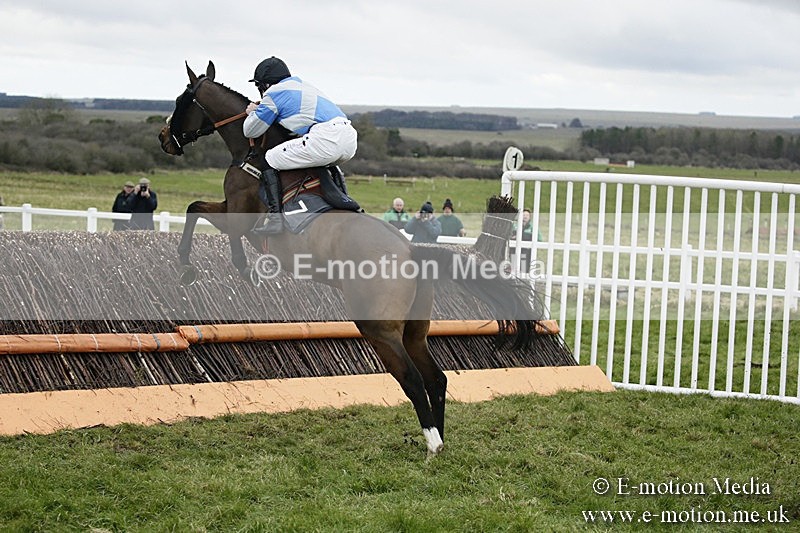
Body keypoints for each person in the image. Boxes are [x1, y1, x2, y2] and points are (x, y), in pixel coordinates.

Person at [243, 56, 358, 235]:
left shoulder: (273, 94)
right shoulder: (304, 85)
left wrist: (253, 112)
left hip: (325, 137)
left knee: (270, 159)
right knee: (327, 162)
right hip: (349, 138)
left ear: (265, 84)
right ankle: (347, 202)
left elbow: (250, 131)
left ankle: (275, 220)